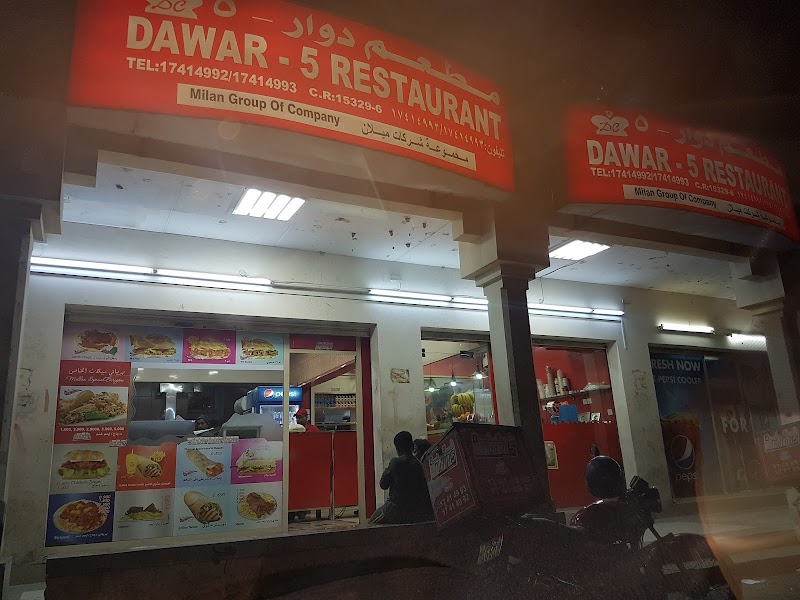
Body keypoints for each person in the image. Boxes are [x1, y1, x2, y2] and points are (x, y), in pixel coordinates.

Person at [369, 431, 434, 525]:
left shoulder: (395, 463)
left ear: (397, 448)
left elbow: (383, 485)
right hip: (417, 511)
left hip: (396, 509)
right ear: (412, 446)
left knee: (371, 523)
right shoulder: (419, 464)